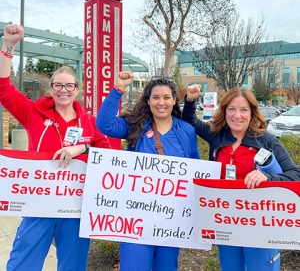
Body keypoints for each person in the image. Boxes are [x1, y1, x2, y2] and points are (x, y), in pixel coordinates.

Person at [0, 24, 111, 271]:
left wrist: (83, 148)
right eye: (58, 85)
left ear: (77, 90)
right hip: (38, 205)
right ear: (51, 89)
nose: (63, 90)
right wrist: (9, 45)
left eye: (69, 86)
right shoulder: (33, 113)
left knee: (72, 266)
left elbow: (109, 157)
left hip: (75, 209)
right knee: (22, 264)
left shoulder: (90, 123)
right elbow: (3, 89)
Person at [182, 84, 300, 271]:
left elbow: (296, 175)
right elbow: (190, 120)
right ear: (225, 111)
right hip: (227, 222)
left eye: (243, 110)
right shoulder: (217, 136)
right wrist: (190, 99)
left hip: (260, 224)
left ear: (252, 113)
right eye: (232, 109)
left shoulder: (266, 140)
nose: (237, 115)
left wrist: (267, 177)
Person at [96, 71, 200, 271]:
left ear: (173, 101)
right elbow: (104, 124)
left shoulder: (186, 131)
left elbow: (195, 169)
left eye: (166, 97)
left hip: (170, 221)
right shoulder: (135, 126)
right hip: (136, 220)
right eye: (156, 97)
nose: (161, 102)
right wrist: (119, 89)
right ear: (148, 101)